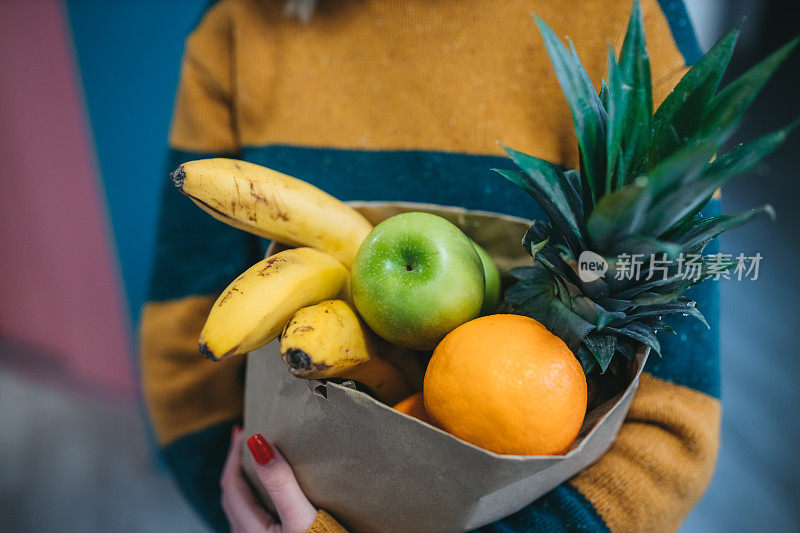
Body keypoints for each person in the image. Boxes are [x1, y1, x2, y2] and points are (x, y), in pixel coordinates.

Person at [141, 0, 721, 531]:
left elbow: (672, 430)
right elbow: (186, 349)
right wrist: (248, 509)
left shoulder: (630, 23)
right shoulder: (241, 24)